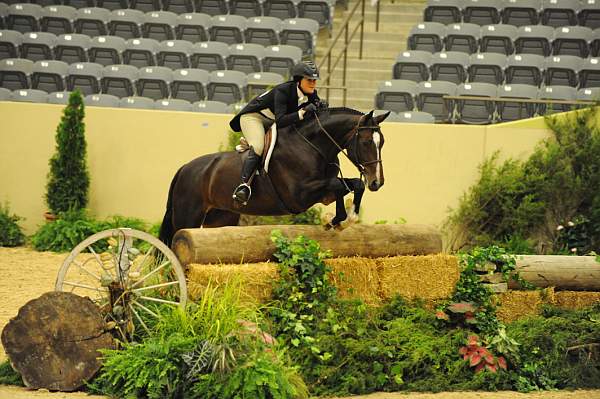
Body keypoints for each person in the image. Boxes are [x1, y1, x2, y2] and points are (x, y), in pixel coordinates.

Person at [229, 61, 327, 205]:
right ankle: (243, 186)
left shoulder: (311, 93)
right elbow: (281, 121)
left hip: (272, 120)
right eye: (309, 80)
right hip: (254, 117)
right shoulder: (283, 91)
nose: (313, 83)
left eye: (314, 80)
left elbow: (313, 109)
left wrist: (322, 106)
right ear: (299, 80)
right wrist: (302, 112)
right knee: (258, 146)